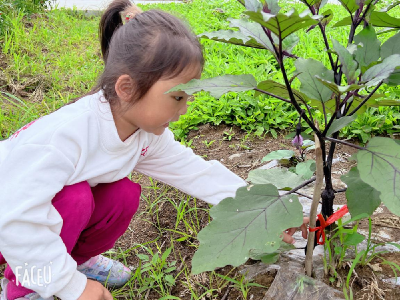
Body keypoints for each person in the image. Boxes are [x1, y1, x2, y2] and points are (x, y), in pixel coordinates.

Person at [0, 1, 309, 299]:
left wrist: (269, 211)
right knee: (76, 198)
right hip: (9, 222)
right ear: (127, 88)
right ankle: (23, 289)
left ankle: (77, 260)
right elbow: (15, 219)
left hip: (30, 216)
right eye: (178, 98)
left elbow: (198, 174)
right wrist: (70, 286)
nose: (185, 109)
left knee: (121, 195)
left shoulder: (144, 133)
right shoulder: (65, 138)